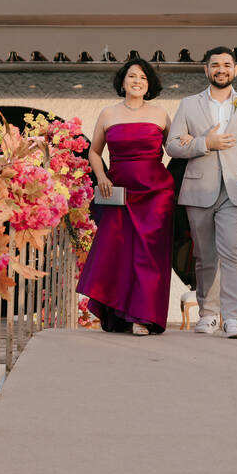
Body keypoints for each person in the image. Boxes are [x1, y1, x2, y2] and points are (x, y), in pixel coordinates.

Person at [166, 46, 237, 339]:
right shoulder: (189, 105)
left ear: (235, 70)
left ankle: (233, 318)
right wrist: (203, 143)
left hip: (236, 190)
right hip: (199, 188)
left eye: (227, 64)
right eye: (215, 65)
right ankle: (209, 315)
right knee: (204, 255)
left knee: (233, 252)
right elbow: (172, 145)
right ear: (206, 70)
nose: (221, 69)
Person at [77, 57, 176, 335]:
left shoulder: (160, 114)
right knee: (118, 253)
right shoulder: (108, 114)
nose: (137, 82)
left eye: (143, 78)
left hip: (156, 194)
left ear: (150, 84)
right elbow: (94, 152)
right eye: (132, 76)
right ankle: (118, 315)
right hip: (119, 193)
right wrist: (102, 177)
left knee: (148, 256)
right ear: (123, 81)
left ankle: (143, 317)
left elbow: (176, 150)